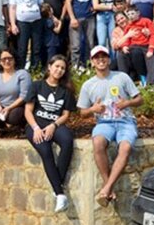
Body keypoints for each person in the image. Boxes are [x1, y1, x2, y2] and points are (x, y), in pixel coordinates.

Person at [78, 45, 143, 206]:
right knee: (98, 142)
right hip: (104, 123)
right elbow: (82, 112)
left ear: (109, 59)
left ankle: (106, 189)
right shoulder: (88, 85)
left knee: (126, 148)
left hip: (126, 121)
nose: (101, 59)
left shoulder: (122, 77)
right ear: (92, 62)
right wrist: (93, 109)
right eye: (97, 57)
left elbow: (140, 99)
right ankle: (109, 187)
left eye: (104, 56)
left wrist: (127, 102)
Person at [25, 55, 76, 213]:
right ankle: (60, 194)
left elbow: (66, 115)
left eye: (62, 68)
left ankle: (56, 185)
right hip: (36, 125)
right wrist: (36, 128)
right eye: (57, 66)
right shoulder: (36, 86)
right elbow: (28, 111)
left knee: (67, 140)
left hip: (55, 125)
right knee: (46, 151)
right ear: (49, 67)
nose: (59, 70)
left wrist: (54, 125)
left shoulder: (65, 91)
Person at [9, 0, 45, 71]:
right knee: (22, 47)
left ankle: (35, 68)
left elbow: (41, 4)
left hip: (36, 21)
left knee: (36, 46)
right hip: (22, 22)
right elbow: (12, 8)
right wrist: (13, 24)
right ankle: (20, 68)